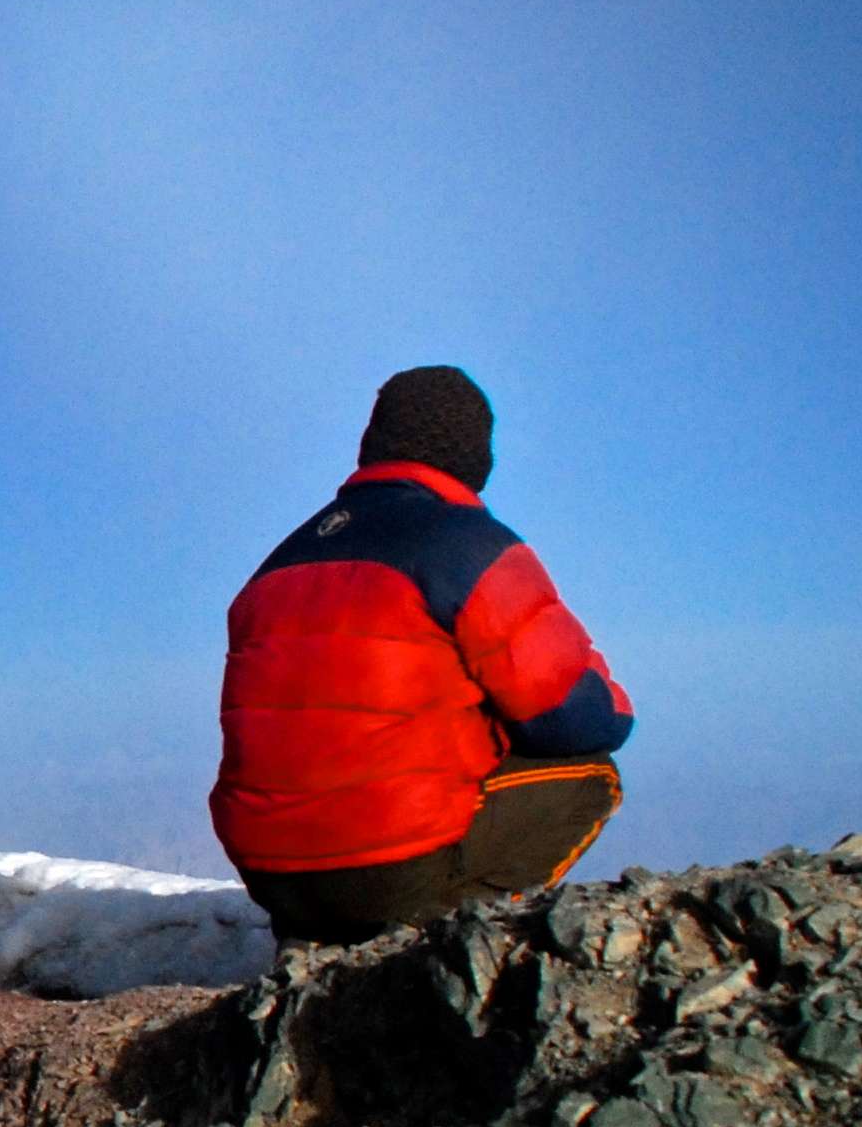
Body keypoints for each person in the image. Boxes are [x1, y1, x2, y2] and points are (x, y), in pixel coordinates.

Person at [211, 365, 632, 943]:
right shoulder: (471, 546)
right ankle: (448, 938)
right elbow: (570, 717)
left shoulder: (278, 563)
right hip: (390, 869)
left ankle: (323, 932)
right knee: (594, 778)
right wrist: (608, 693)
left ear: (373, 445)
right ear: (475, 454)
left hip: (273, 878)